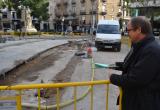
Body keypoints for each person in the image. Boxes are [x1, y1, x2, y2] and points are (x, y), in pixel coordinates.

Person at [109, 16, 160, 110]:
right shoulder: (140, 45)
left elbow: (136, 79)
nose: (126, 33)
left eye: (128, 30)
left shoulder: (151, 50)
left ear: (139, 30)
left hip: (143, 104)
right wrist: (117, 65)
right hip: (134, 101)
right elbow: (134, 64)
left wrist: (112, 78)